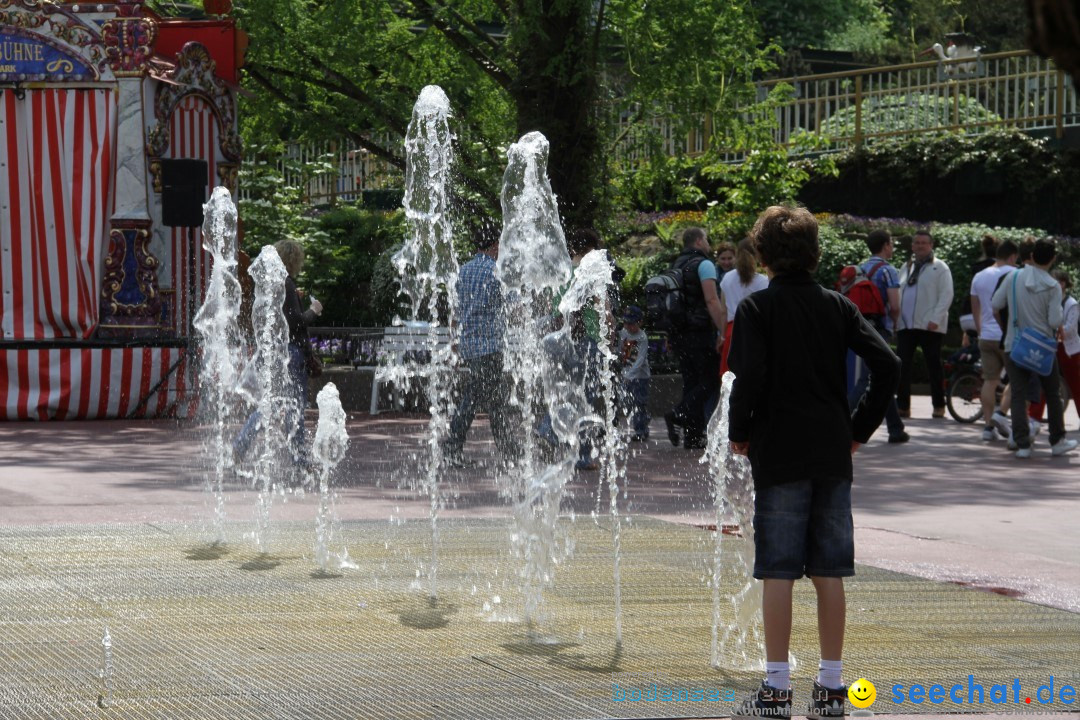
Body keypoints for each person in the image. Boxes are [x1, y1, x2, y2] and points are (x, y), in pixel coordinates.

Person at [727, 206, 899, 719]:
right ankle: (830, 689)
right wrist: (859, 429)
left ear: (762, 255)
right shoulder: (838, 306)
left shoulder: (757, 309)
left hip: (778, 447)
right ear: (815, 253)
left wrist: (739, 433)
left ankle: (776, 690)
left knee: (777, 570)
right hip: (830, 447)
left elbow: (747, 377)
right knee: (829, 571)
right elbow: (887, 365)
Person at [234, 239, 322, 468]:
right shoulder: (288, 284)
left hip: (273, 352)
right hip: (291, 354)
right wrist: (313, 311)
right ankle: (300, 460)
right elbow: (296, 323)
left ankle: (240, 446)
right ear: (294, 260)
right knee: (295, 409)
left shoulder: (272, 284)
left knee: (270, 405)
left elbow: (279, 317)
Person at [991, 238, 1077, 458]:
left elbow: (995, 305)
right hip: (1043, 348)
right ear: (1053, 259)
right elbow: (1054, 320)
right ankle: (1057, 440)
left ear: (1030, 256)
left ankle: (1022, 445)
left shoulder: (1013, 276)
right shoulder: (1052, 285)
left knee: (1018, 394)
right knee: (1052, 392)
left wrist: (1007, 327)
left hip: (1014, 344)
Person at [444, 227, 519, 468]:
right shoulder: (496, 272)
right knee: (478, 399)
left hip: (469, 346)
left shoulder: (463, 271)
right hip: (490, 347)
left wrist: (455, 345)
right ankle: (453, 449)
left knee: (488, 399)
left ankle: (508, 450)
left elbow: (454, 313)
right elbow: (516, 308)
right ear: (494, 245)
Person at [664, 227, 725, 450]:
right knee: (709, 380)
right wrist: (723, 331)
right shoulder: (704, 264)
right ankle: (678, 414)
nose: (709, 244)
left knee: (691, 383)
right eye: (707, 240)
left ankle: (693, 436)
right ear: (699, 241)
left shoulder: (676, 264)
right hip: (700, 332)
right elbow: (711, 300)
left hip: (679, 333)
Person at [846, 229, 909, 444]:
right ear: (885, 245)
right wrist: (896, 323)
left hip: (859, 326)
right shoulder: (888, 271)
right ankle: (842, 420)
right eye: (891, 243)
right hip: (880, 328)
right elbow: (895, 305)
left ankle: (895, 428)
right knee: (871, 378)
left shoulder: (861, 268)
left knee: (879, 376)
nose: (892, 247)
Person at [896, 230, 953, 419]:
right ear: (912, 246)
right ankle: (903, 406)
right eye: (917, 242)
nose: (920, 246)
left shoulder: (940, 267)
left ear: (931, 246)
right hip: (906, 325)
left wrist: (935, 319)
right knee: (902, 366)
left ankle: (939, 405)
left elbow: (946, 295)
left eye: (924, 243)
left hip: (930, 326)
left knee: (934, 366)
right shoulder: (906, 266)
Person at [970, 240, 1018, 441]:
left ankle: (988, 427)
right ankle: (1002, 415)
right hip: (1007, 336)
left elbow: (975, 308)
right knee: (1017, 380)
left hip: (986, 335)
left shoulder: (979, 276)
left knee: (990, 381)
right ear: (1013, 256)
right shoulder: (1015, 274)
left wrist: (981, 330)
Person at [718, 238, 769, 376]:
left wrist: (722, 337)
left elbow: (723, 311)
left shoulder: (727, 278)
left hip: (730, 332)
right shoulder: (763, 281)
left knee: (729, 380)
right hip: (754, 332)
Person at [619, 305, 650, 442]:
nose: (628, 326)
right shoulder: (623, 333)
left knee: (639, 402)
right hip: (626, 374)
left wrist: (630, 375)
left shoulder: (642, 337)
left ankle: (640, 430)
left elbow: (640, 359)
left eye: (632, 323)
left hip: (641, 376)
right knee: (629, 403)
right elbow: (620, 350)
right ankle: (644, 420)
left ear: (640, 322)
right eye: (626, 323)